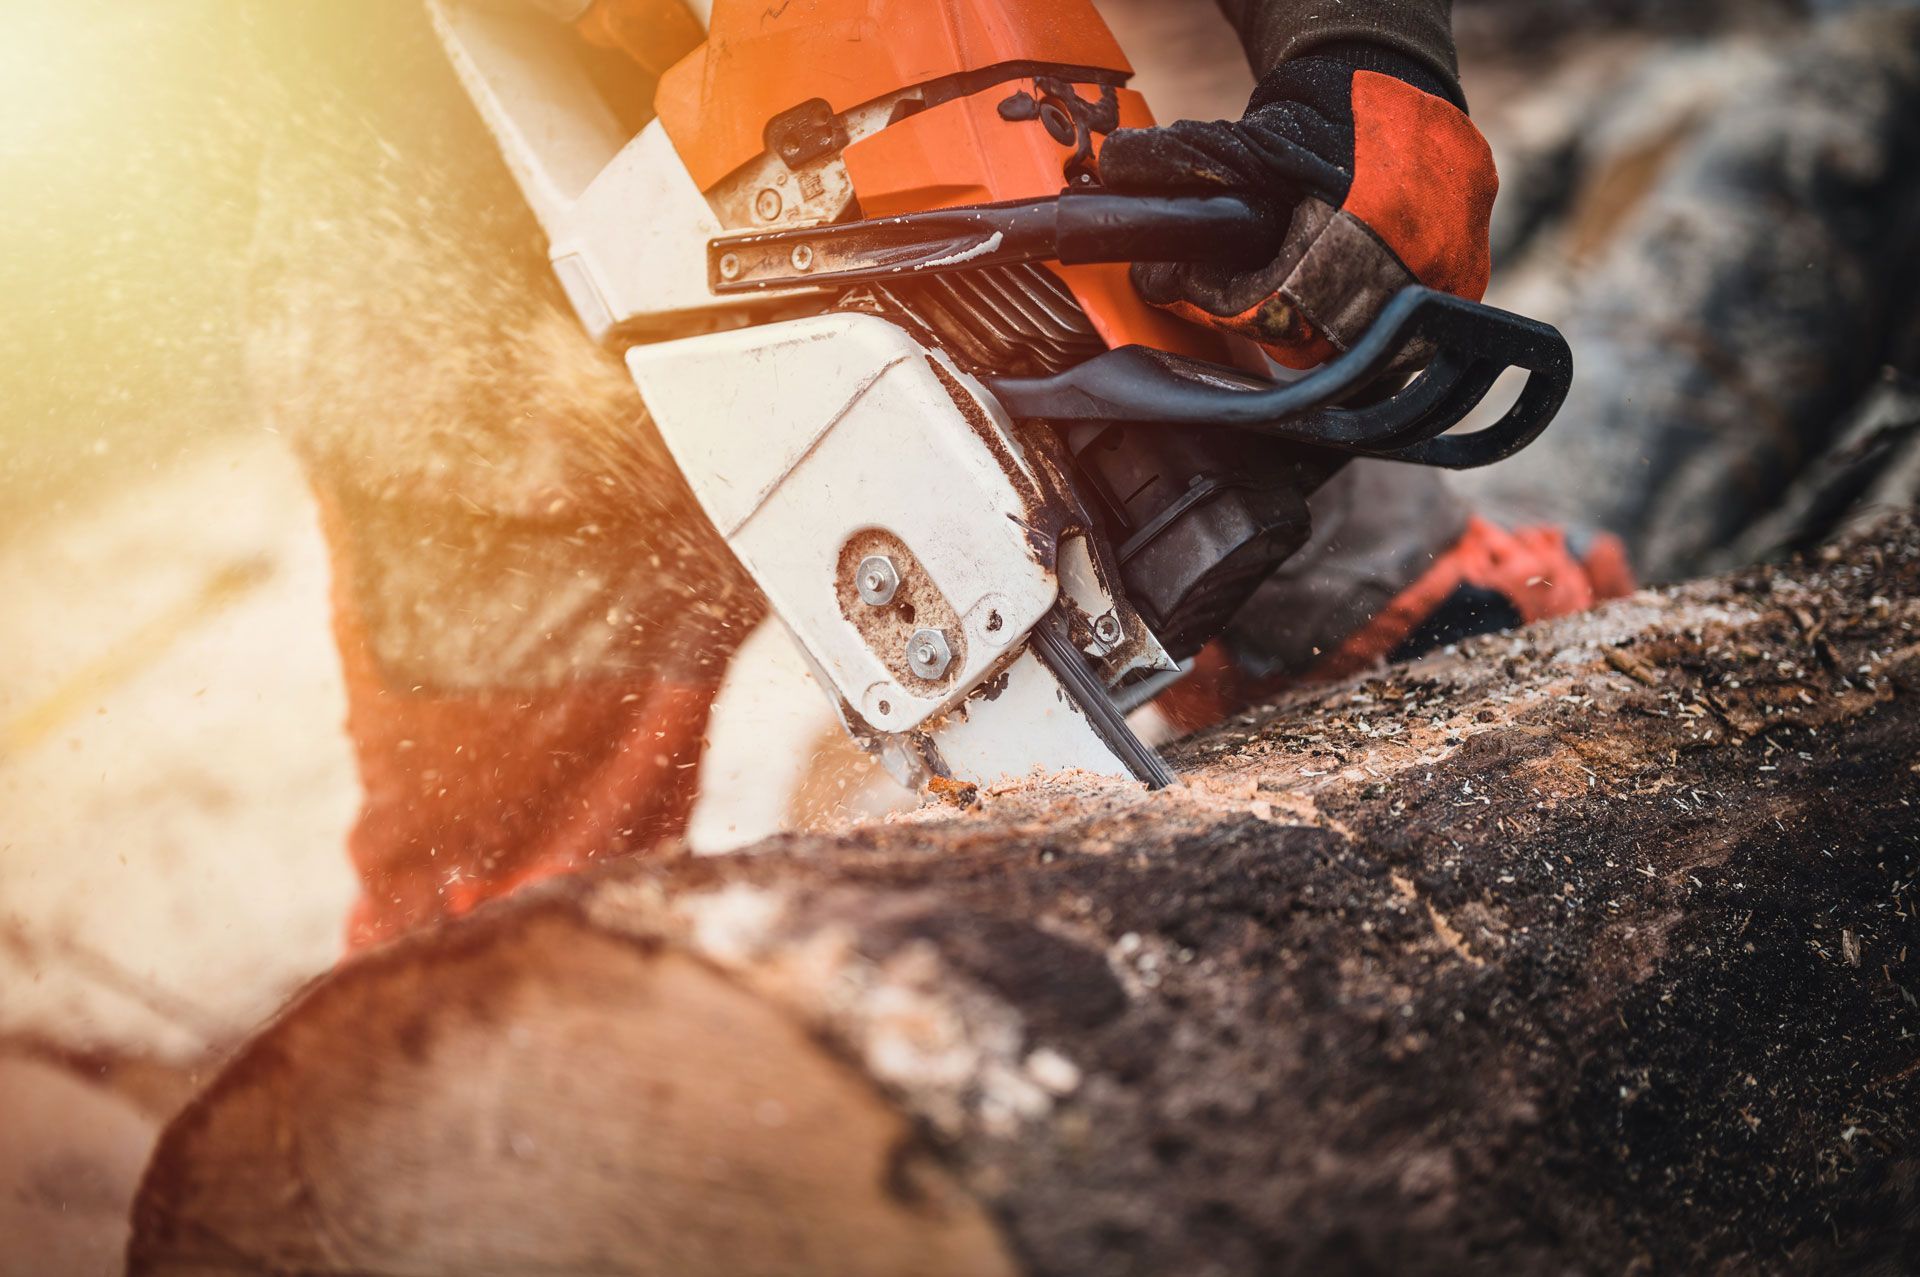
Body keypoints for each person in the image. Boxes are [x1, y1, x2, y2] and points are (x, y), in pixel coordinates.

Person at [254, 0, 1625, 945]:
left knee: (1435, 656)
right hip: (463, 265)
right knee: (495, 929)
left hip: (999, 167)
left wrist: (1357, 46)